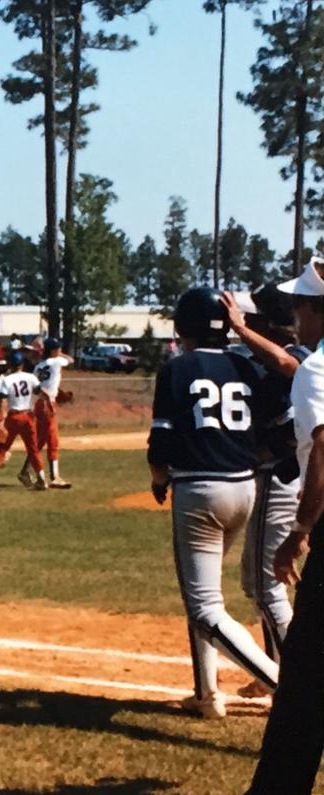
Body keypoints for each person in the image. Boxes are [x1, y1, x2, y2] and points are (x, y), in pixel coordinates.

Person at [148, 286, 277, 721]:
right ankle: (208, 694)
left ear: (184, 324)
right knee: (203, 598)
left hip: (200, 490)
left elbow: (160, 443)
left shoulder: (178, 368)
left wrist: (158, 479)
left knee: (205, 605)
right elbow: (267, 434)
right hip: (245, 487)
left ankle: (288, 688)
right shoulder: (247, 365)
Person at [245, 260, 324, 792]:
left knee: (303, 682)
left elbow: (323, 447)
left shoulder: (318, 369)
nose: (295, 315)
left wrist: (299, 532)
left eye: (300, 305)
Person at [220, 284, 308, 698]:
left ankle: (297, 682)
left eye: (254, 320)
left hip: (280, 479)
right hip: (268, 476)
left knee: (268, 585)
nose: (247, 324)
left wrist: (239, 329)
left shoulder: (304, 356)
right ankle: (272, 670)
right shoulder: (262, 364)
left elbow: (286, 362)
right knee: (255, 583)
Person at [0, 351, 46, 493]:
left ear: (10, 364)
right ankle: (42, 479)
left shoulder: (7, 379)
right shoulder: (30, 377)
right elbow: (39, 392)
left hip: (13, 416)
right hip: (28, 416)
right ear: (22, 364)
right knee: (33, 449)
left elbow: (2, 399)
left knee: (2, 448)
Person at [30, 339, 74, 489]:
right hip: (48, 403)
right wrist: (61, 354)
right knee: (52, 440)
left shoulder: (38, 366)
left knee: (42, 440)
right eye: (58, 348)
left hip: (39, 403)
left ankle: (27, 471)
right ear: (54, 350)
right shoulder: (56, 361)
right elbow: (71, 360)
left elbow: (37, 387)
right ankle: (54, 477)